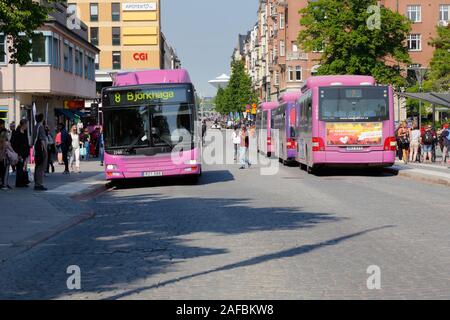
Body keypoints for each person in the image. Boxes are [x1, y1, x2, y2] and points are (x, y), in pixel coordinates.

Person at [10, 119, 30, 188]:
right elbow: (15, 144)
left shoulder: (25, 132)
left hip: (24, 153)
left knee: (23, 168)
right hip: (19, 154)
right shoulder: (17, 133)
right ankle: (18, 183)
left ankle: (23, 181)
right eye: (26, 124)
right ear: (23, 124)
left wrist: (27, 153)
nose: (27, 125)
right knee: (19, 168)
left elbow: (26, 143)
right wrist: (18, 154)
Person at [33, 113, 48, 191]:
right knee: (41, 167)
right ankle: (39, 184)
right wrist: (45, 151)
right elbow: (42, 140)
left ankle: (36, 183)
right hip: (41, 148)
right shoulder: (41, 127)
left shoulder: (35, 126)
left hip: (36, 148)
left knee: (37, 166)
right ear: (42, 119)